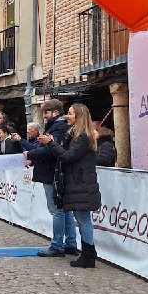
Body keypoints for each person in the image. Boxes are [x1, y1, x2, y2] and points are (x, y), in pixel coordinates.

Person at [35, 103, 102, 268]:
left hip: (81, 183)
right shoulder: (76, 134)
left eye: (70, 114)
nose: (67, 117)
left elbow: (68, 156)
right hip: (78, 182)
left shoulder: (83, 136)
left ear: (78, 116)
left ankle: (88, 254)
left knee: (83, 219)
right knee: (80, 218)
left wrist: (51, 143)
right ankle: (88, 252)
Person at [25, 99, 77, 258]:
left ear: (55, 112)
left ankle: (57, 245)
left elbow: (51, 150)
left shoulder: (58, 127)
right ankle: (70, 244)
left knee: (57, 211)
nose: (45, 116)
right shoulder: (59, 126)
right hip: (54, 172)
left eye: (46, 113)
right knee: (65, 210)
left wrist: (30, 154)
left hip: (53, 173)